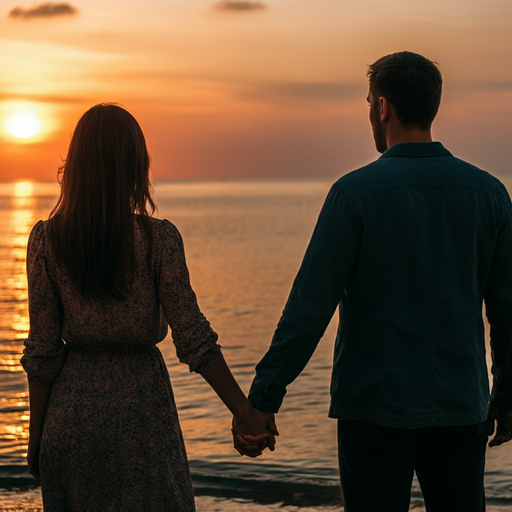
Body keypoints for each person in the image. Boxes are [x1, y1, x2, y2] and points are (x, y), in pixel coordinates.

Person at [236, 52, 512, 511]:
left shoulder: (354, 195)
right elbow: (505, 309)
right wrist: (506, 393)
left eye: (368, 101)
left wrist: (263, 399)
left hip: (374, 408)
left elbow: (309, 307)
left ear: (382, 107)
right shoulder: (489, 194)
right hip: (460, 404)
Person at [21, 103, 275, 512]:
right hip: (142, 414)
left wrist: (38, 439)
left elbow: (42, 352)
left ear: (76, 166)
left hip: (71, 419)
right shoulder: (158, 241)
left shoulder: (46, 241)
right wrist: (243, 411)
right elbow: (194, 339)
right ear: (136, 165)